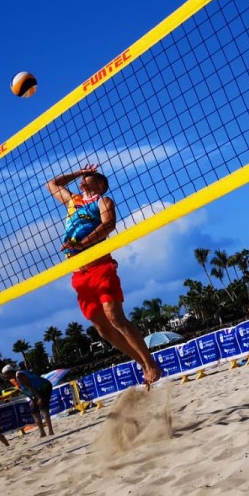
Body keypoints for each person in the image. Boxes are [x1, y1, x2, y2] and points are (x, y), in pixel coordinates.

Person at [47, 164, 163, 387]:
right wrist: (80, 172)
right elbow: (52, 184)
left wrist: (81, 244)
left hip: (100, 265)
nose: (84, 179)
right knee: (103, 330)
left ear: (100, 184)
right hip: (78, 272)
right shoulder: (72, 201)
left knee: (115, 317)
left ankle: (150, 364)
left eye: (89, 176)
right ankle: (143, 363)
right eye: (84, 177)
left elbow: (109, 224)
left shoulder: (103, 201)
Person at [2, 365, 54, 438]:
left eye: (6, 374)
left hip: (44, 387)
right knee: (34, 411)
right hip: (36, 391)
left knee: (43, 408)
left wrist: (39, 398)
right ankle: (42, 432)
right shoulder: (14, 380)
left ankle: (50, 431)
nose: (5, 376)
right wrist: (33, 399)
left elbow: (29, 386)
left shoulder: (19, 375)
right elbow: (26, 390)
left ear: (10, 372)